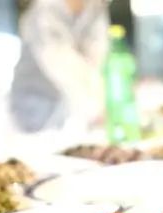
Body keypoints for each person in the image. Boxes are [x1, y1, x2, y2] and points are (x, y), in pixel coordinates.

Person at [10, 0, 110, 133]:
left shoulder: (94, 9)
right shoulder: (45, 11)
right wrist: (96, 109)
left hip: (74, 111)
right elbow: (62, 66)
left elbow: (99, 58)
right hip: (35, 110)